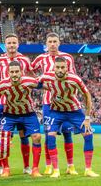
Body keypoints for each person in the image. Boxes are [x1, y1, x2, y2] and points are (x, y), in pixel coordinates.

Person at [38, 57, 99, 178]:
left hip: (74, 111)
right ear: (54, 68)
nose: (60, 70)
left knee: (88, 135)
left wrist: (87, 118)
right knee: (50, 137)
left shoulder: (75, 79)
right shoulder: (47, 76)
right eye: (58, 67)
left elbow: (87, 96)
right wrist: (48, 88)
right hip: (55, 111)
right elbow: (38, 83)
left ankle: (88, 169)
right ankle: (56, 170)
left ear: (67, 68)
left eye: (62, 67)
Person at [32, 32, 78, 175]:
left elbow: (74, 77)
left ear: (59, 43)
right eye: (50, 41)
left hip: (65, 102)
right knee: (48, 133)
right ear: (46, 43)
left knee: (67, 133)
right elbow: (30, 70)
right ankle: (48, 165)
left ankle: (70, 166)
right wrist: (40, 83)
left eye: (54, 41)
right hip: (48, 103)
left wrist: (72, 95)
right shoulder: (41, 58)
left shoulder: (68, 58)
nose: (52, 44)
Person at [0, 33, 34, 175]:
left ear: (18, 44)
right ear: (5, 45)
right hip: (4, 104)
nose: (11, 45)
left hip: (22, 103)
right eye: (9, 43)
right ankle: (3, 166)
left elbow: (32, 77)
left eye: (14, 43)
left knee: (23, 135)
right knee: (3, 136)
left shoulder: (24, 60)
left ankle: (27, 166)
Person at [0, 61, 42, 178]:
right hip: (9, 115)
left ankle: (35, 169)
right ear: (8, 73)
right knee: (1, 139)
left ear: (21, 72)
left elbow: (44, 85)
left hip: (28, 114)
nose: (14, 74)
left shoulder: (29, 81)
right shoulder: (2, 86)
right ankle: (6, 169)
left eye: (16, 71)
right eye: (12, 72)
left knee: (37, 137)